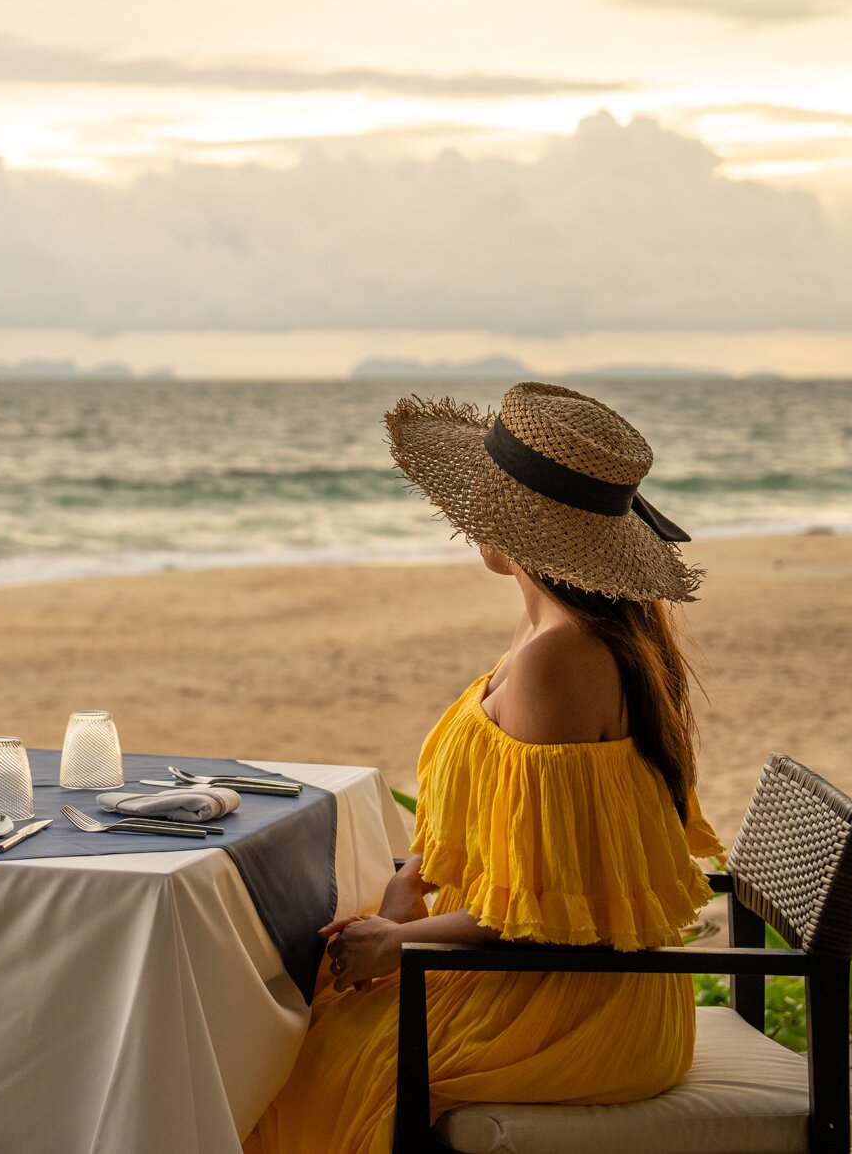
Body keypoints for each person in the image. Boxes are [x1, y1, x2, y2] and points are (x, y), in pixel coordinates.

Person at [245, 382, 725, 1154]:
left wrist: (398, 941)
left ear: (527, 529)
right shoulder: (560, 629)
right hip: (550, 975)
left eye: (483, 501)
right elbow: (525, 838)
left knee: (315, 1066)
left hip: (573, 1002)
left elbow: (554, 908)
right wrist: (414, 881)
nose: (468, 517)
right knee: (301, 1031)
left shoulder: (560, 659)